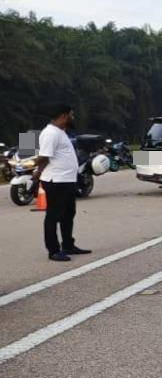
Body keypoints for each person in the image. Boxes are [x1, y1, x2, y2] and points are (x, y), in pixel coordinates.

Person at [33, 104, 91, 262]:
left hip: (66, 180)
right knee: (53, 216)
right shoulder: (50, 133)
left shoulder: (60, 132)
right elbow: (44, 156)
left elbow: (49, 157)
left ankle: (68, 245)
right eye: (71, 115)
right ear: (64, 116)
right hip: (56, 181)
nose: (73, 118)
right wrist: (35, 167)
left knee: (68, 214)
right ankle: (53, 250)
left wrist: (38, 171)